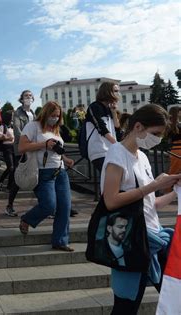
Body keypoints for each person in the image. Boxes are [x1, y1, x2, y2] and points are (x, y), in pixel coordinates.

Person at [100, 104, 180, 314]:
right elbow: (110, 200)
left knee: (172, 298)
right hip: (131, 243)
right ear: (137, 127)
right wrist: (154, 186)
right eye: (156, 133)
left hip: (153, 238)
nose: (159, 139)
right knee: (126, 306)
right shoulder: (117, 154)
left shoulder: (142, 156)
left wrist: (175, 192)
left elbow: (150, 204)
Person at [18, 101, 75, 252]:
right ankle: (27, 219)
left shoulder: (55, 129)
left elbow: (56, 151)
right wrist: (44, 144)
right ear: (45, 113)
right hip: (42, 172)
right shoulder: (33, 126)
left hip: (60, 171)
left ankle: (60, 241)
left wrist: (66, 159)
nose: (55, 118)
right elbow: (21, 147)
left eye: (58, 116)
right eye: (53, 115)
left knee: (65, 207)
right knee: (49, 205)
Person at [4, 90, 35, 216]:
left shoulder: (33, 113)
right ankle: (9, 205)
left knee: (37, 176)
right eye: (26, 96)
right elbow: (17, 131)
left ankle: (47, 205)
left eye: (30, 96)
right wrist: (28, 144)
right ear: (21, 99)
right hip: (22, 149)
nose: (28, 98)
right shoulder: (18, 113)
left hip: (34, 148)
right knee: (19, 178)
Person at [85, 82, 121, 173]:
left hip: (111, 149)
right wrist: (117, 144)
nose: (118, 94)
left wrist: (114, 112)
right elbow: (101, 128)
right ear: (108, 92)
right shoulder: (94, 106)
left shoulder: (109, 109)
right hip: (99, 150)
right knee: (111, 177)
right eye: (116, 91)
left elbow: (117, 128)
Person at [0, 111, 15, 196]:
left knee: (13, 168)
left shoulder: (13, 126)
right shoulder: (3, 126)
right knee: (10, 167)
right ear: (9, 117)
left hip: (14, 148)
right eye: (12, 116)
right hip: (7, 149)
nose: (14, 117)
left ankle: (8, 186)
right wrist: (6, 137)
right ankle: (1, 182)